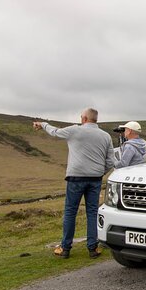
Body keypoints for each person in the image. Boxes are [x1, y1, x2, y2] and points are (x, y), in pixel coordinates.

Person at [33, 108, 114, 259]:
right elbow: (111, 161)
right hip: (95, 179)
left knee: (70, 212)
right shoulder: (105, 136)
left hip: (75, 177)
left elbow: (55, 132)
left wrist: (43, 124)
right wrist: (99, 172)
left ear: (83, 118)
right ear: (95, 119)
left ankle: (65, 248)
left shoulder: (74, 130)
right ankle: (93, 248)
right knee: (92, 212)